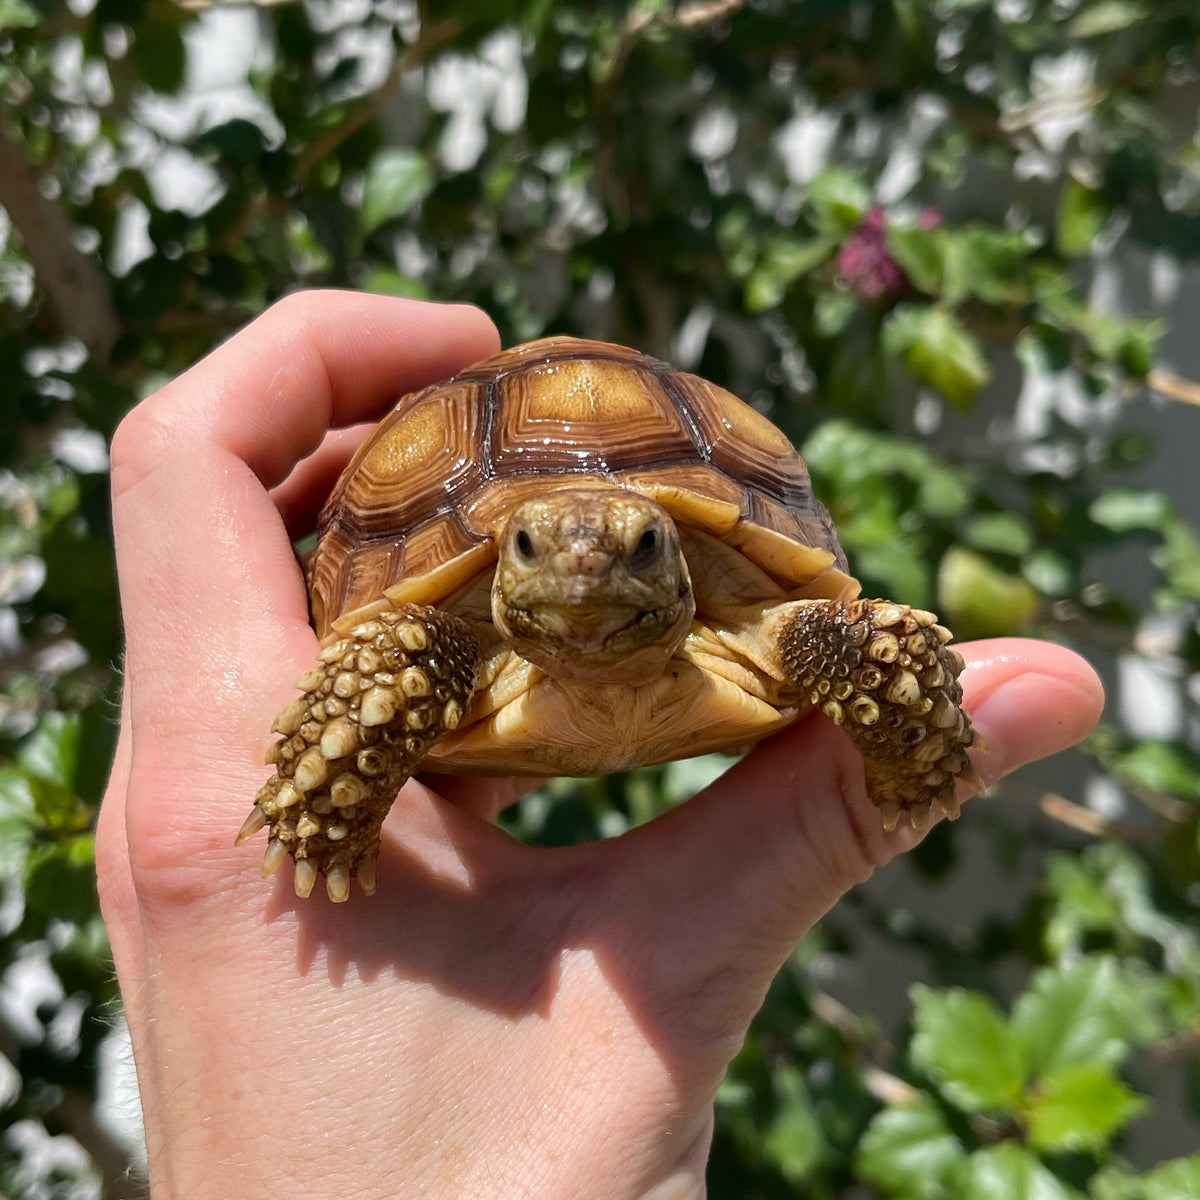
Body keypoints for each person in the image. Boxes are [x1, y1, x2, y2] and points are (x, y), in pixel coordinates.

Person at [99, 292, 1104, 1199]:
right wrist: (325, 816)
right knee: (380, 687)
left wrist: (915, 758)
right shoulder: (437, 649)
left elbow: (872, 647)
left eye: (637, 549)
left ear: (674, 554)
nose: (581, 570)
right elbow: (363, 682)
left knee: (869, 648)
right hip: (470, 652)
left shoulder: (779, 629)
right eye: (530, 548)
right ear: (503, 564)